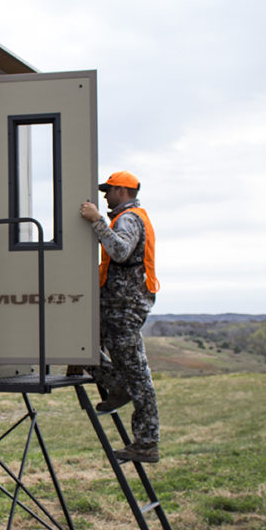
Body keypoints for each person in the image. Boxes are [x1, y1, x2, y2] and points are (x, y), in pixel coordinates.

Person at [79, 170, 161, 463]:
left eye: (109, 190)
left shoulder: (127, 219)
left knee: (137, 374)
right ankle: (116, 386)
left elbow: (122, 251)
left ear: (123, 192)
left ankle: (146, 442)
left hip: (124, 306)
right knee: (80, 344)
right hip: (121, 304)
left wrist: (97, 222)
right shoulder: (133, 217)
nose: (105, 195)